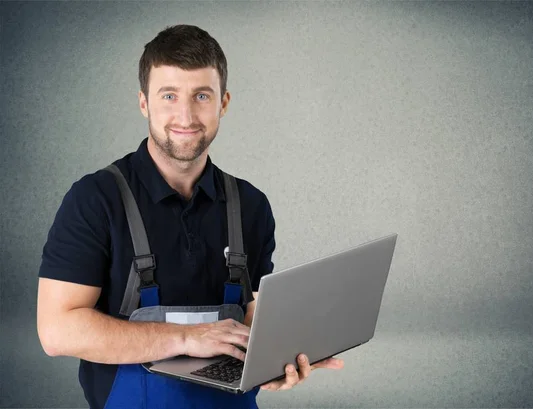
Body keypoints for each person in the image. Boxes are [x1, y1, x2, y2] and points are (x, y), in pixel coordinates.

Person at [36, 24, 344, 409]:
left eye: (201, 95)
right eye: (169, 95)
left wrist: (280, 360)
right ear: (144, 103)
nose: (185, 115)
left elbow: (253, 319)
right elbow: (56, 331)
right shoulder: (95, 199)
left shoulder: (251, 205)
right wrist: (185, 338)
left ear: (224, 103)